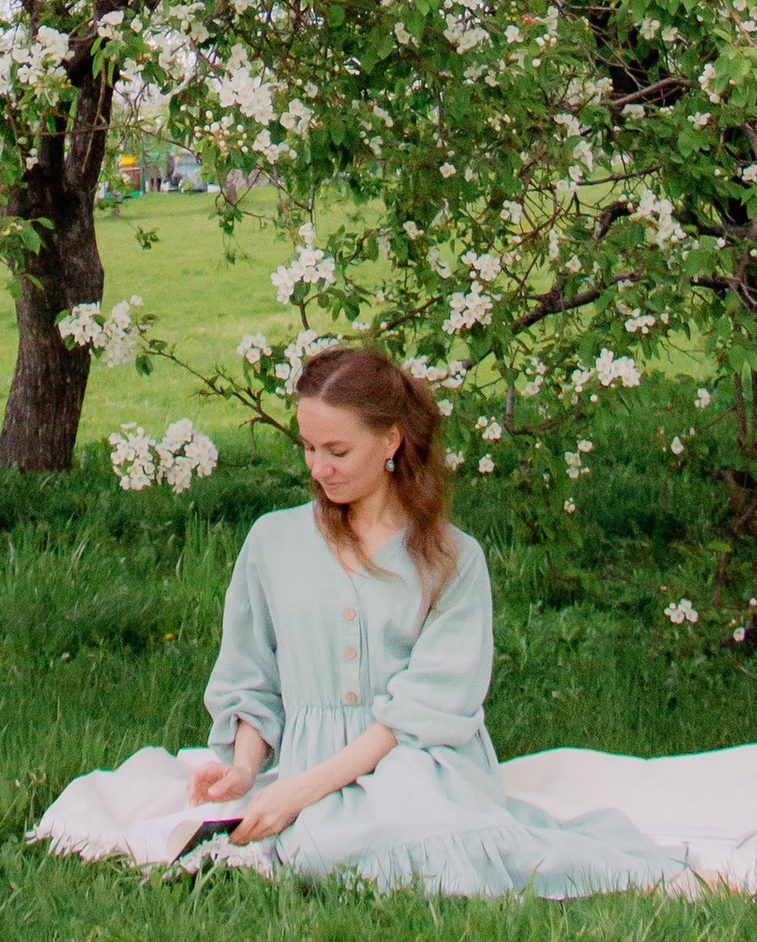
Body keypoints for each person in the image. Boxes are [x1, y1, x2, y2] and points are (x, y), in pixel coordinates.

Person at [185, 345, 692, 896]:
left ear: (390, 441)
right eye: (308, 447)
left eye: (337, 450)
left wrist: (301, 792)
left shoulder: (452, 558)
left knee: (401, 836)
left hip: (417, 762)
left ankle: (638, 876)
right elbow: (250, 675)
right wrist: (243, 770)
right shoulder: (272, 541)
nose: (318, 468)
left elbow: (427, 709)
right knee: (330, 848)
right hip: (311, 765)